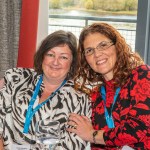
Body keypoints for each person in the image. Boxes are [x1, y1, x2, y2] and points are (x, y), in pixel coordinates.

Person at [0, 30, 91, 150]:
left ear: (72, 63)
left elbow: (73, 144)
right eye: (50, 54)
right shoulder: (18, 79)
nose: (55, 62)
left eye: (63, 57)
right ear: (42, 56)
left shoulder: (80, 98)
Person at [67, 22, 150, 150]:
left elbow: (136, 130)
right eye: (89, 50)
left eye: (103, 45)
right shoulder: (96, 95)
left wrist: (91, 134)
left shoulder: (142, 75)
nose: (97, 54)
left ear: (117, 46)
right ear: (85, 59)